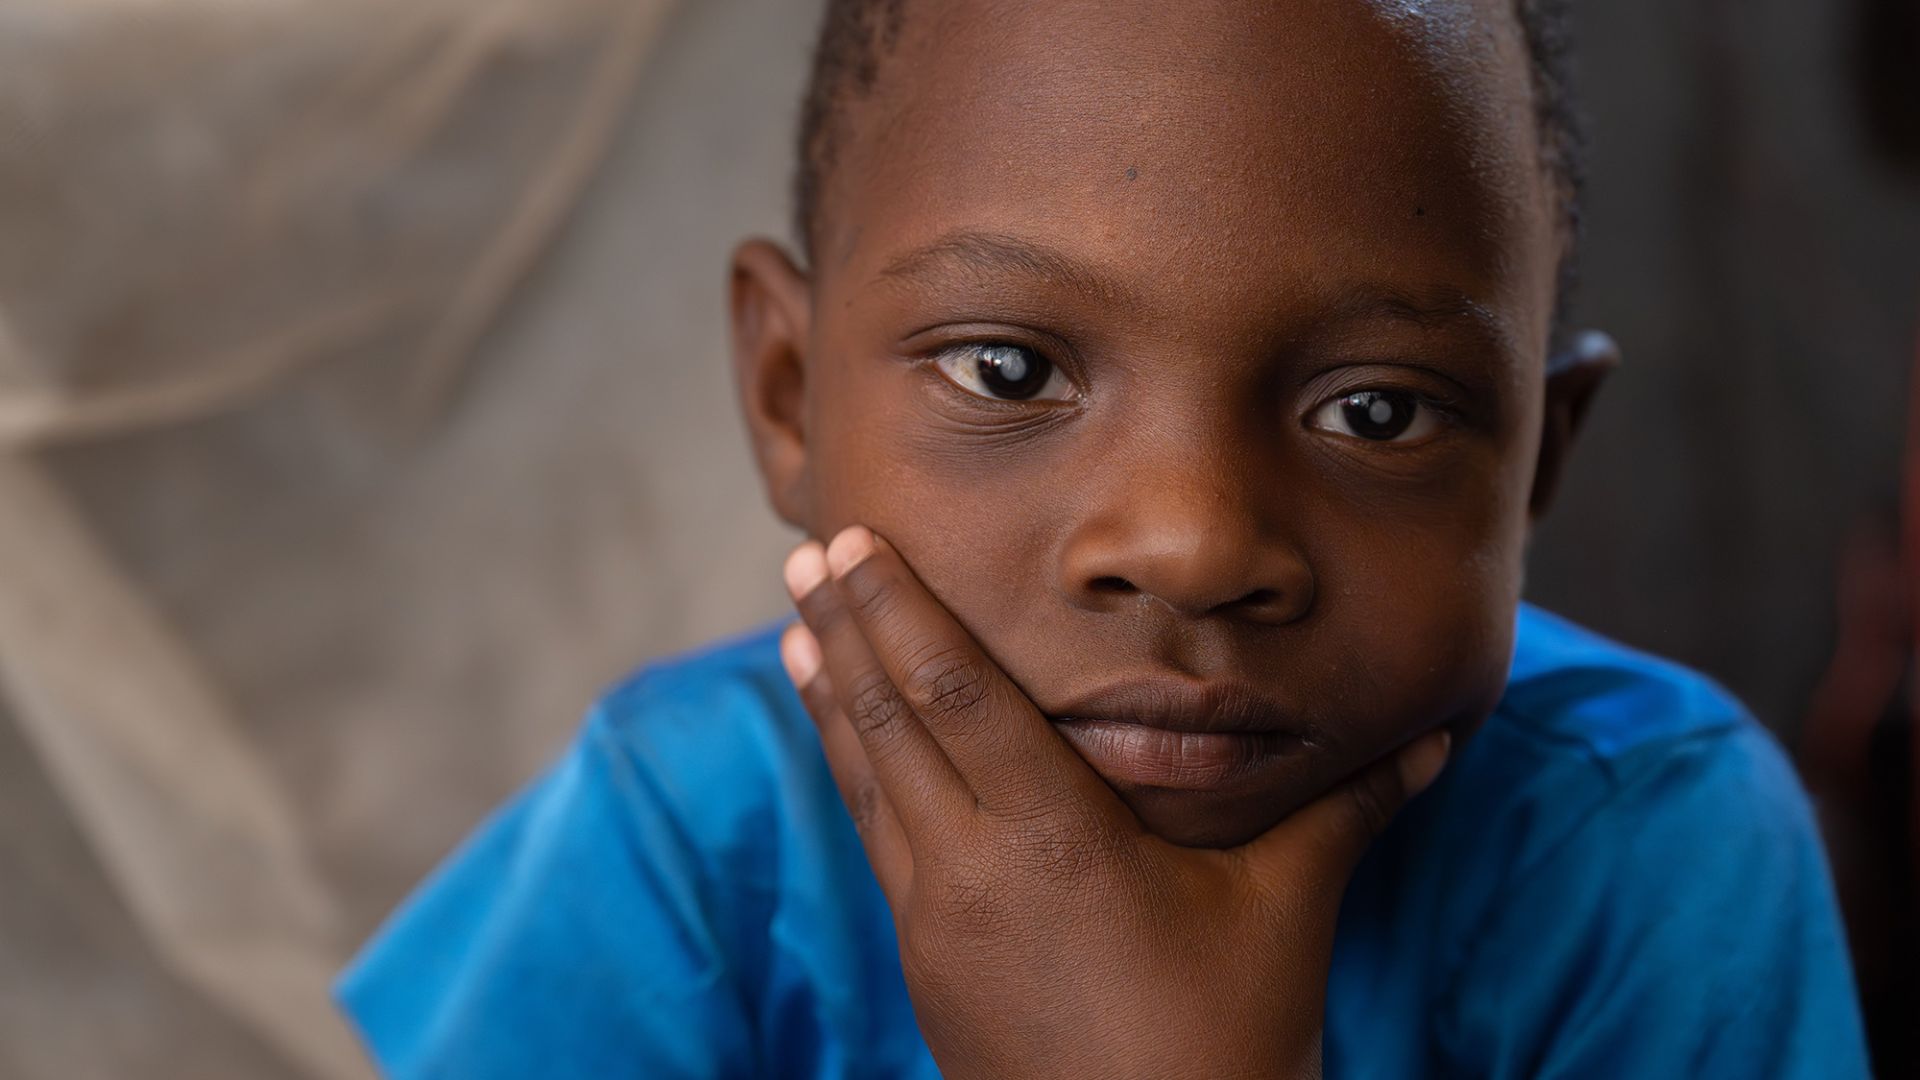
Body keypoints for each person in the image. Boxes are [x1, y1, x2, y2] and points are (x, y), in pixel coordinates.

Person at [336, 1, 1871, 1075]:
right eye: (1010, 372)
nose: (1194, 545)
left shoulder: (1647, 851)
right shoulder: (692, 844)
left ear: (1540, 456)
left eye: (1378, 411)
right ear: (789, 396)